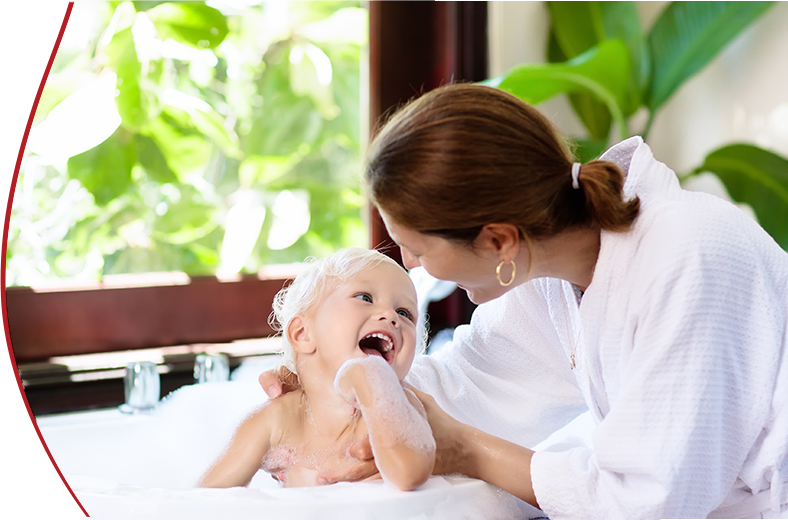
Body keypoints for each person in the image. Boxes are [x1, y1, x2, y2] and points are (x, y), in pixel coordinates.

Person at [260, 83, 788, 519]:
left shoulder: (687, 259)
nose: (413, 265)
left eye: (419, 248)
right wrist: (332, 393)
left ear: (499, 242)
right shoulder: (554, 273)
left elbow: (649, 502)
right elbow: (474, 384)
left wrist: (466, 450)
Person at [200, 248, 435, 490]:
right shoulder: (276, 420)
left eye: (404, 313)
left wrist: (372, 383)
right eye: (365, 298)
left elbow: (410, 474)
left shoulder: (397, 406)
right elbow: (204, 498)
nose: (391, 316)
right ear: (303, 334)